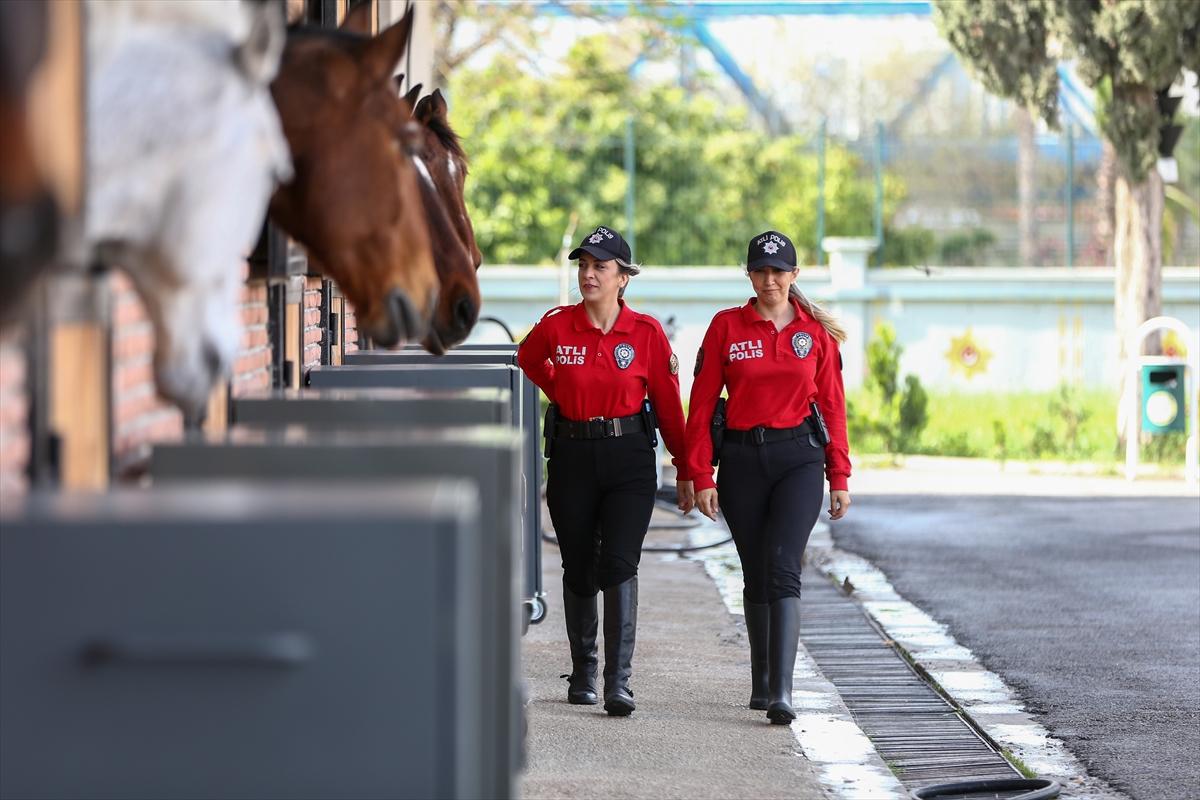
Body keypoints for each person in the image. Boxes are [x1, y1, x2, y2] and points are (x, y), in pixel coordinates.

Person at [517, 225, 694, 716]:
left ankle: (618, 681)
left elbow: (667, 404)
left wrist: (687, 468)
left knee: (619, 563)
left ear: (623, 278)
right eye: (584, 265)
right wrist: (565, 394)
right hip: (572, 457)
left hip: (629, 459)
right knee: (577, 566)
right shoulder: (556, 326)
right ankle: (584, 673)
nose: (589, 274)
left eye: (600, 267)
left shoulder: (646, 333)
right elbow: (528, 360)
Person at [686, 230, 851, 725]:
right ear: (750, 275)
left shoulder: (813, 334)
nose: (770, 279)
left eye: (779, 271)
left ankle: (783, 691)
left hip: (799, 458)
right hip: (740, 461)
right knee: (756, 570)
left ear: (794, 276)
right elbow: (701, 403)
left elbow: (833, 406)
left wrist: (838, 472)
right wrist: (699, 472)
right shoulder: (726, 328)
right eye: (761, 270)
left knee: (783, 565)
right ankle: (762, 682)